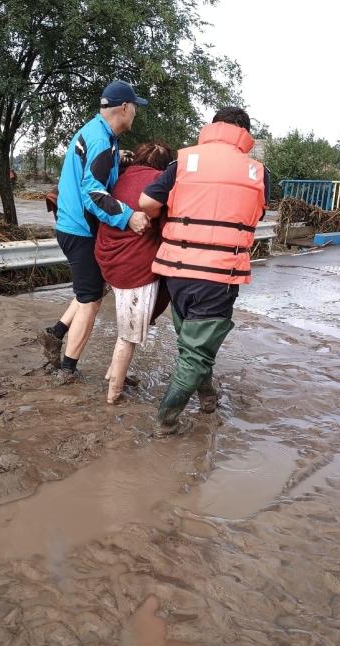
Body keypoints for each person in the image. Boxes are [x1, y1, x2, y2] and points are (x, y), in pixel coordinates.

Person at [139, 106, 266, 435]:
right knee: (195, 352)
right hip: (219, 275)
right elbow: (258, 213)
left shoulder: (183, 161)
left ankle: (207, 397)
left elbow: (146, 203)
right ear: (244, 132)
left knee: (190, 343)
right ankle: (165, 421)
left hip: (176, 271)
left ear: (213, 127)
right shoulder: (256, 171)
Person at [39, 80, 151, 384]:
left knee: (92, 288)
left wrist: (120, 158)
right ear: (125, 108)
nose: (135, 115)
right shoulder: (102, 142)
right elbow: (93, 192)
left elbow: (96, 168)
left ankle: (56, 333)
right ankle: (67, 369)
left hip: (70, 225)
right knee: (91, 299)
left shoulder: (98, 133)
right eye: (135, 109)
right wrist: (128, 217)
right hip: (80, 230)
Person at [94, 141, 175, 404]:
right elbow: (167, 228)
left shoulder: (121, 177)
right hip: (134, 266)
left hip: (107, 258)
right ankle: (113, 394)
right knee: (128, 335)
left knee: (127, 325)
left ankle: (113, 374)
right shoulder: (159, 184)